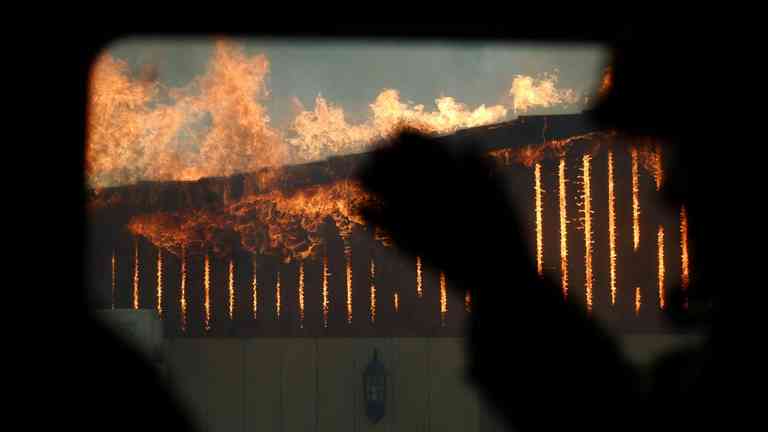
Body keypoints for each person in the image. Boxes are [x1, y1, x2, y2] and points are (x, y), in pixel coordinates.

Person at [358, 27, 718, 432]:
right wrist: (506, 283)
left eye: (691, 155)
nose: (672, 193)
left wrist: (503, 281)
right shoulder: (690, 383)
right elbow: (616, 408)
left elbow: (605, 412)